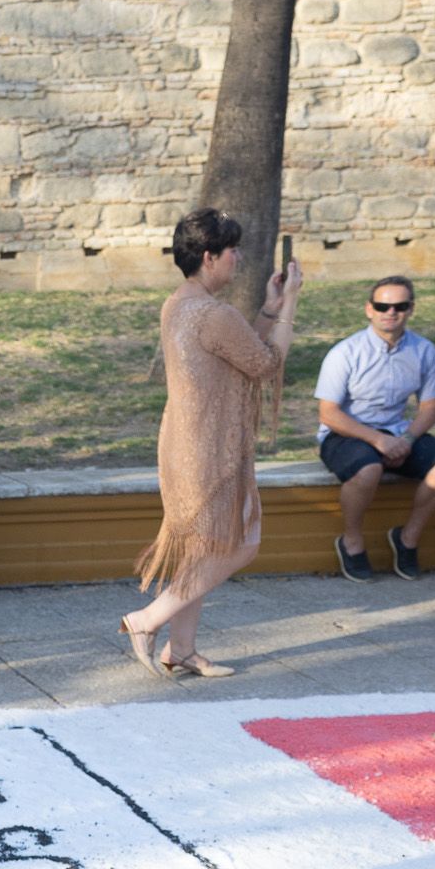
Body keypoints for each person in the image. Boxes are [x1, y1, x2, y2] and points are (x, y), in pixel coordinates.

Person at [120, 209, 299, 680]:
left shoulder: (178, 304)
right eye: (232, 251)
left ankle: (181, 649)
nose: (238, 258)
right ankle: (147, 620)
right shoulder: (213, 314)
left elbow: (242, 354)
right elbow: (266, 365)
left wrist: (268, 308)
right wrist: (292, 304)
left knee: (202, 551)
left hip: (187, 442)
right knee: (242, 544)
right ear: (208, 256)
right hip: (209, 449)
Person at [317, 277, 435, 581]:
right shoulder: (345, 353)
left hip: (397, 432)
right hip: (347, 433)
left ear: (411, 309)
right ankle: (352, 541)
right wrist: (380, 441)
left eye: (400, 306)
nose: (390, 312)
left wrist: (407, 439)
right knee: (369, 470)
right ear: (369, 310)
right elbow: (329, 414)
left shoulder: (423, 350)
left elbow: (429, 407)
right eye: (383, 306)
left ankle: (407, 539)